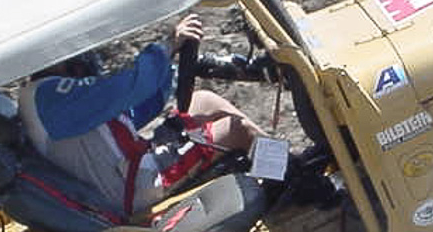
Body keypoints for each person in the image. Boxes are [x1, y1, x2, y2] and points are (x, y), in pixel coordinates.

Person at [18, 15, 264, 220]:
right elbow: (122, 89)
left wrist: (168, 70)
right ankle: (291, 178)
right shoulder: (51, 98)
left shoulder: (50, 96)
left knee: (203, 101)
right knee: (236, 130)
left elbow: (128, 114)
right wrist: (169, 45)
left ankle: (276, 168)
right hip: (135, 188)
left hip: (128, 170)